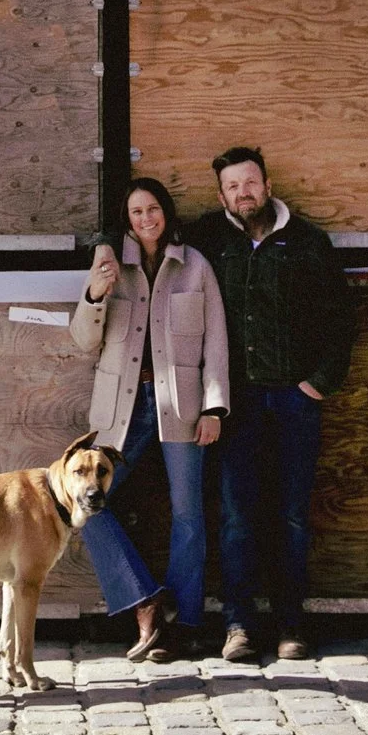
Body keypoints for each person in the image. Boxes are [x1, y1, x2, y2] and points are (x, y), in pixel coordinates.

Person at [183, 146, 351, 664]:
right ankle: (238, 624)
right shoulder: (207, 240)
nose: (243, 193)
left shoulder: (307, 242)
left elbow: (342, 317)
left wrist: (318, 383)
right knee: (236, 516)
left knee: (293, 515)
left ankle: (291, 624)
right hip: (237, 405)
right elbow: (141, 234)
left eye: (250, 182)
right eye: (232, 187)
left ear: (268, 184)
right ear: (221, 196)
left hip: (295, 400)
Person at [68, 176, 229, 663]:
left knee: (188, 515)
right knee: (87, 505)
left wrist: (214, 406)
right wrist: (95, 295)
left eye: (153, 210)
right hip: (122, 408)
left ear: (167, 212)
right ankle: (146, 603)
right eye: (136, 213)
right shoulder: (111, 266)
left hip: (180, 404)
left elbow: (216, 339)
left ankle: (189, 625)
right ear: (127, 221)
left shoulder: (195, 266)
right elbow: (82, 340)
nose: (146, 220)